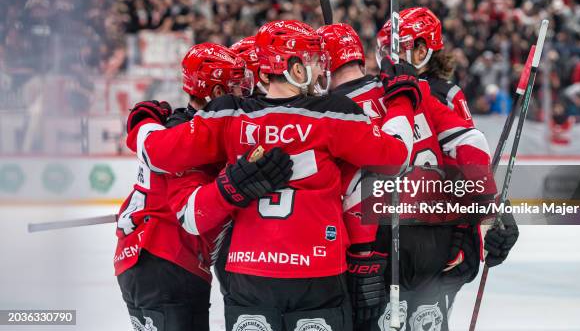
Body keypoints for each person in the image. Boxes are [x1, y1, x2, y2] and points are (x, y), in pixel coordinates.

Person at [125, 19, 422, 330]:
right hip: (316, 272)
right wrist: (402, 101)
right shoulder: (334, 113)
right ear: (295, 68)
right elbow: (396, 155)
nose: (322, 71)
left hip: (248, 272)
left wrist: (143, 121)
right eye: (314, 62)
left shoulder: (230, 113)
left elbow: (156, 153)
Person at [318, 22, 497, 331]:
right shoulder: (414, 89)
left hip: (378, 247)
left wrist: (360, 255)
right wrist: (478, 211)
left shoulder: (333, 111)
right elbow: (472, 144)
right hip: (434, 243)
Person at [116, 42, 289, 331]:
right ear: (217, 93)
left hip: (170, 258)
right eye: (237, 86)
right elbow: (193, 211)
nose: (245, 94)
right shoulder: (187, 133)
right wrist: (236, 184)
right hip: (160, 256)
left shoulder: (193, 126)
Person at [376, 7, 474, 127]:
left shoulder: (448, 94)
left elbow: (466, 142)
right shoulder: (384, 90)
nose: (390, 58)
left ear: (421, 52)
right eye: (387, 51)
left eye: (398, 51)